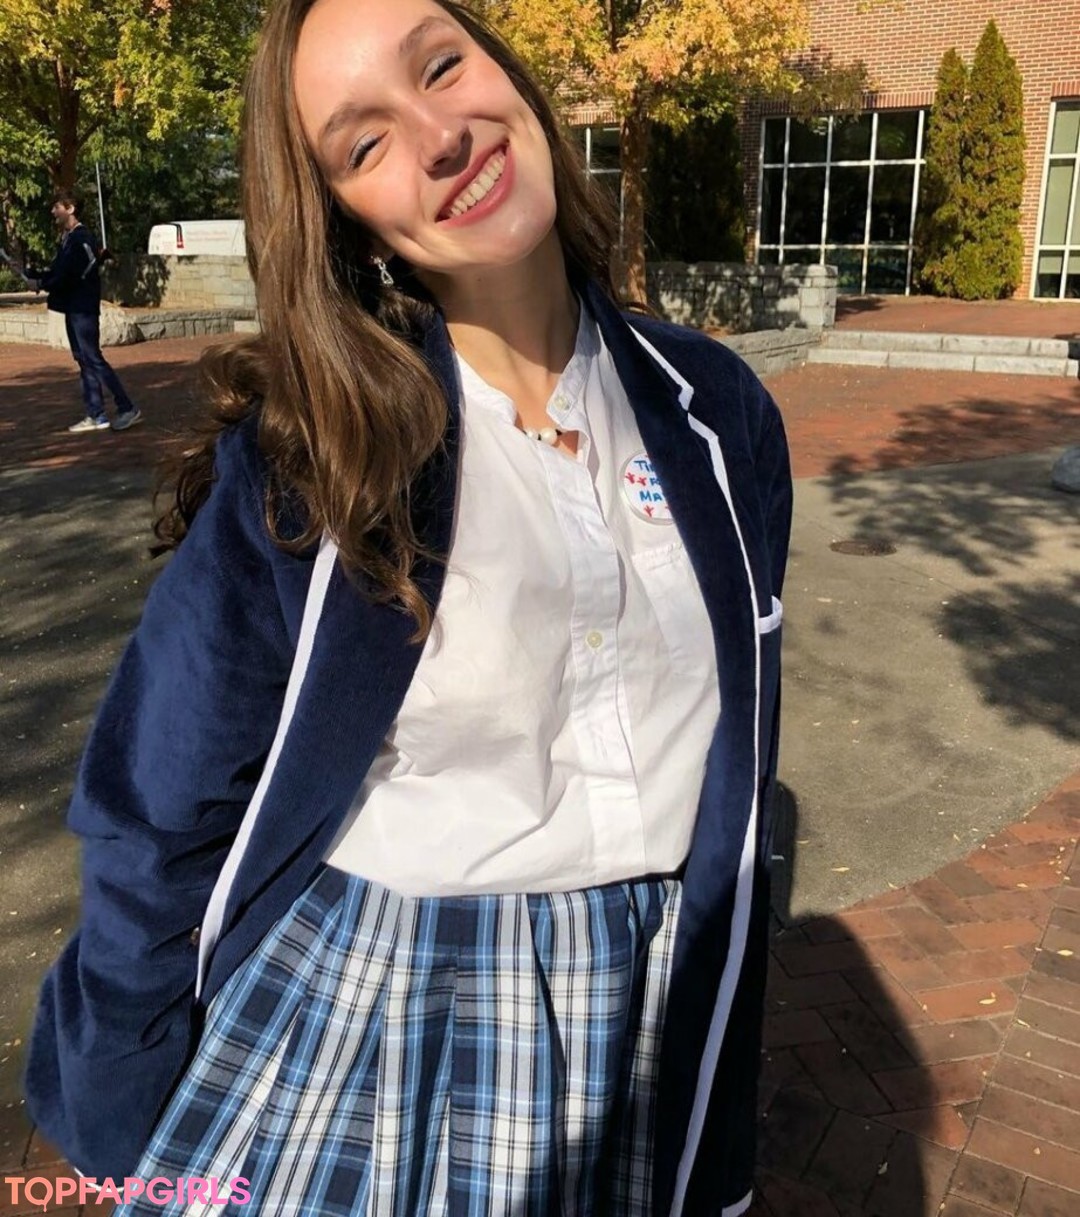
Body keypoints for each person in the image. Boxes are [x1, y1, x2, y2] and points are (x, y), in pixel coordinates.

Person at [24, 0, 791, 1213]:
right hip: (378, 1020)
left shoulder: (719, 412)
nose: (441, 138)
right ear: (346, 218)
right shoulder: (317, 460)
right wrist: (122, 1113)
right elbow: (154, 807)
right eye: (366, 141)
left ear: (510, 74)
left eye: (442, 66)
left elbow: (736, 775)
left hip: (656, 1017)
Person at [22, 191, 142, 433]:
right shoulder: (68, 239)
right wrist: (32, 275)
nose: (53, 211)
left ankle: (127, 407)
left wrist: (42, 284)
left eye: (57, 206)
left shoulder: (81, 239)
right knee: (83, 360)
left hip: (83, 310)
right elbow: (58, 271)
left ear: (70, 209)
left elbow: (72, 275)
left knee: (93, 358)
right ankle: (96, 415)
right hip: (72, 308)